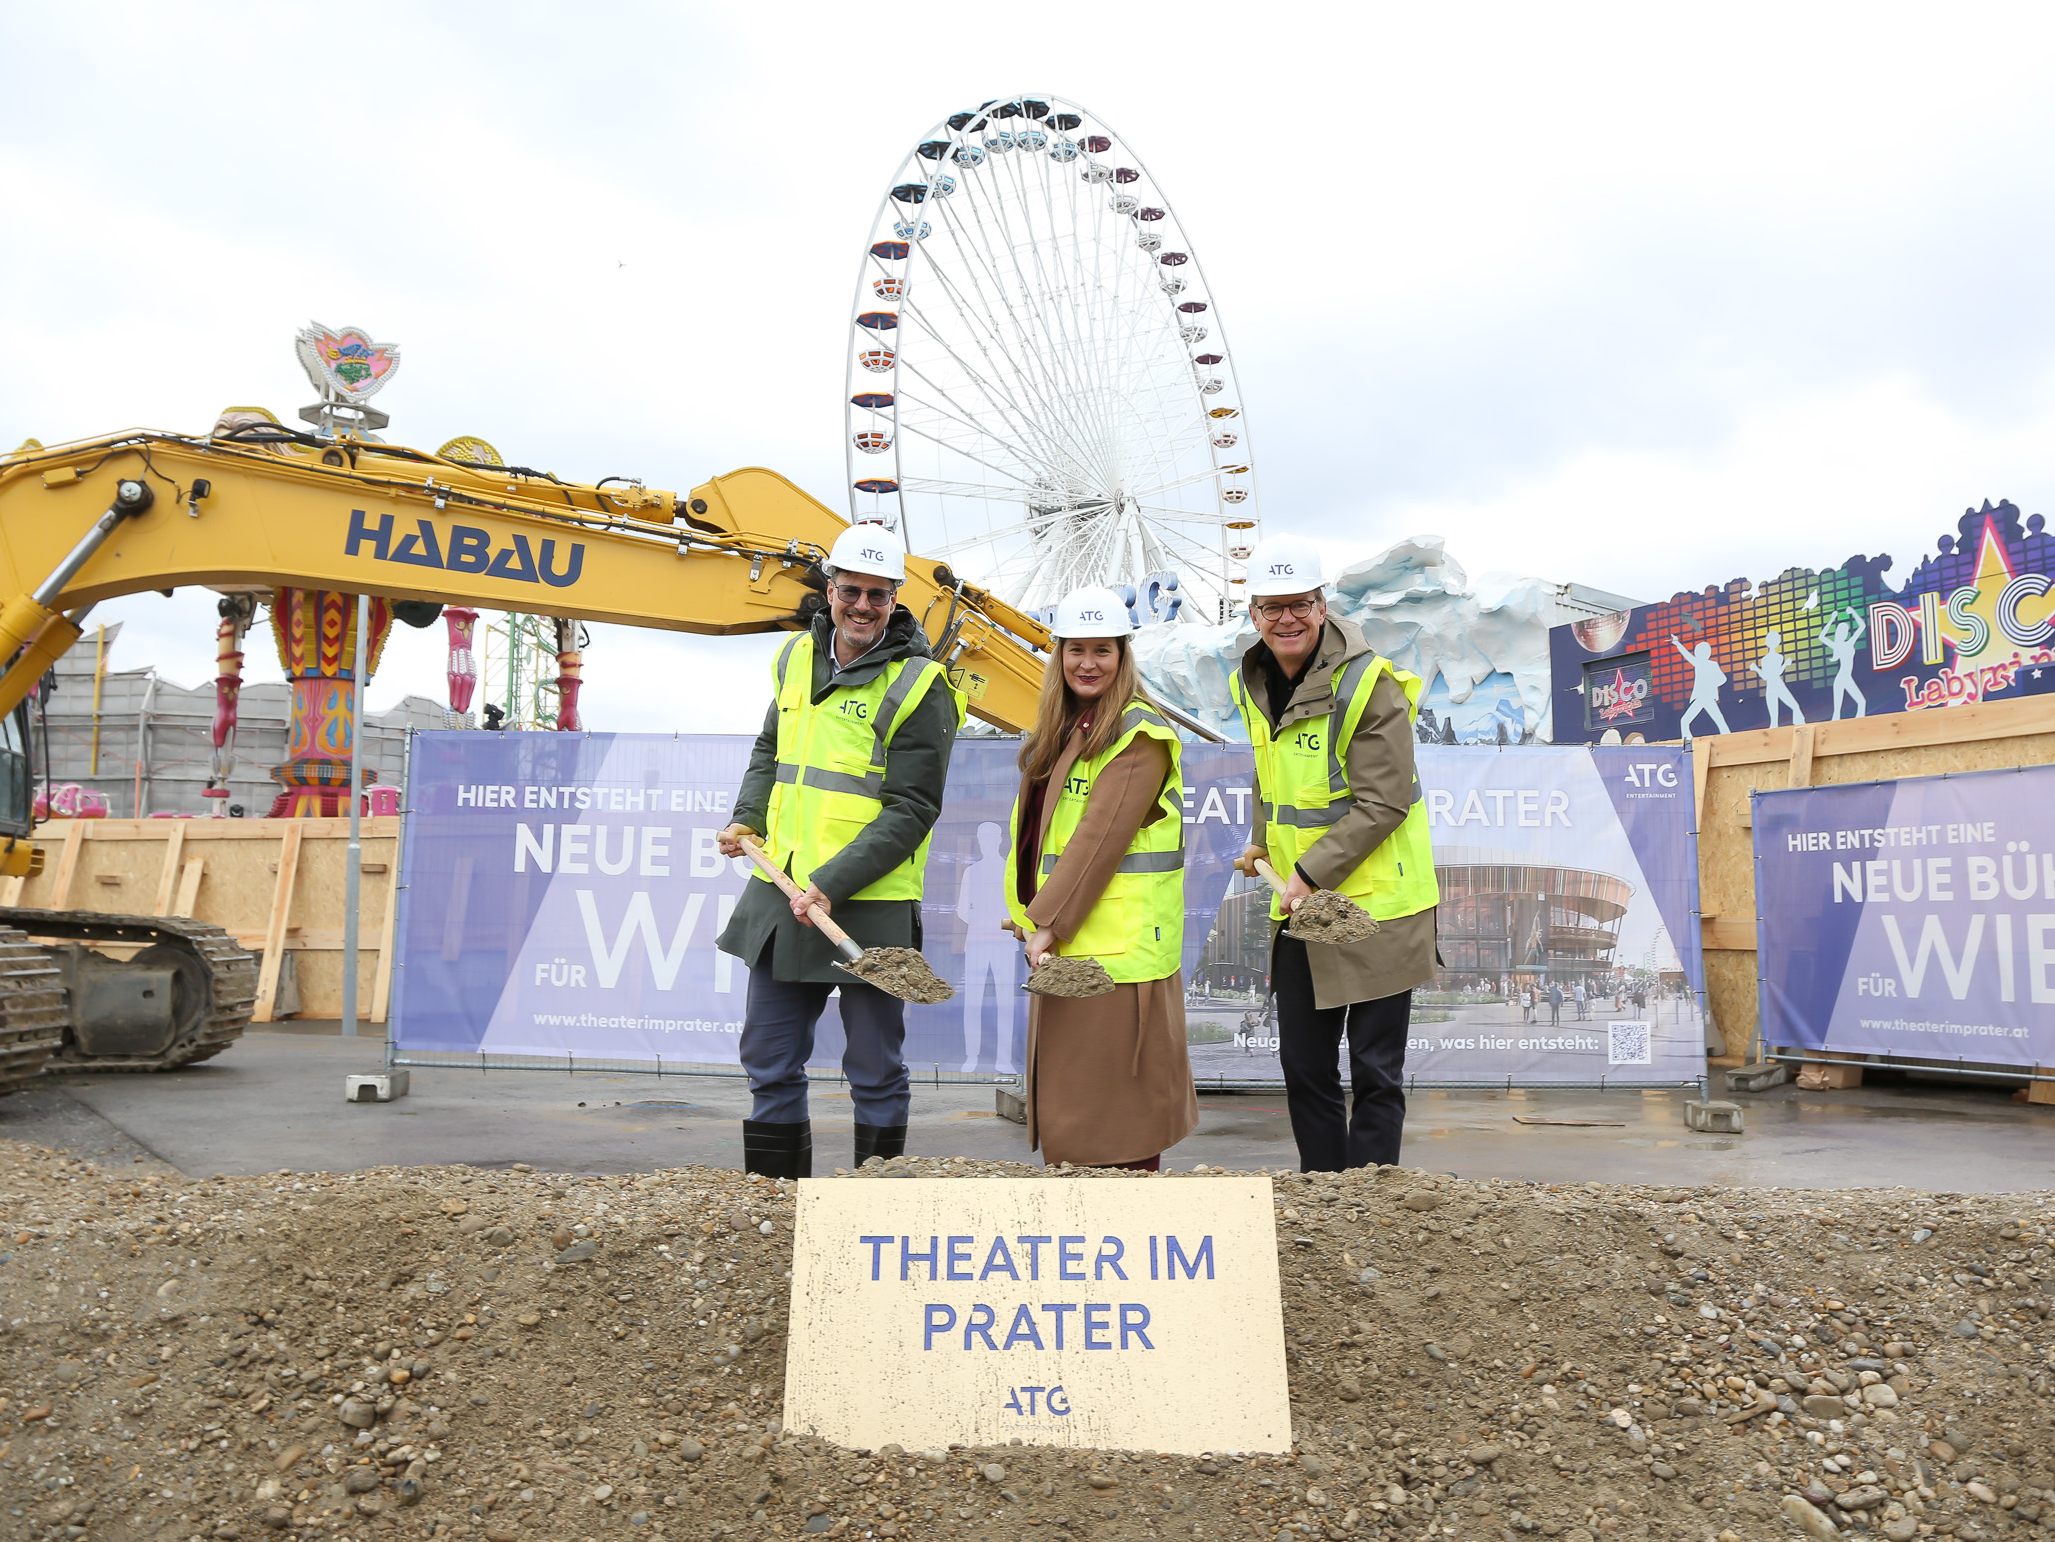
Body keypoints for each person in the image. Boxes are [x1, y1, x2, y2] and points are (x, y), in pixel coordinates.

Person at [716, 522, 964, 1177]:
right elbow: (771, 750)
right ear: (829, 590)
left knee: (875, 1069)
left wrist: (831, 881)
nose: (861, 606)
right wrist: (746, 818)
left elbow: (913, 808)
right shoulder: (794, 658)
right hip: (782, 894)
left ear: (894, 600)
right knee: (768, 1058)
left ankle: (871, 1209)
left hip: (870, 905)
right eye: (850, 590)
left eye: (877, 595)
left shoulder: (920, 686)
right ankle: (776, 1203)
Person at [1230, 538, 1439, 1172]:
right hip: (1301, 909)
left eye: (1299, 605)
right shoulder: (1254, 681)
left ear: (1322, 607)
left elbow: (1383, 803)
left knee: (1377, 1071)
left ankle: (1371, 1206)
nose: (1286, 620)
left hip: (1380, 909)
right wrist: (1263, 837)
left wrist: (1306, 872)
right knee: (1304, 1066)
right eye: (1272, 608)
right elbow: (1273, 779)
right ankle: (1324, 1195)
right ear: (1254, 615)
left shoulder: (1371, 687)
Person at [1004, 586, 1198, 1170]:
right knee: (1078, 1122)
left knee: (1117, 1128)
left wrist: (1044, 923)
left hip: (1116, 961)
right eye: (1076, 650)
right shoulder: (1066, 732)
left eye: (1103, 651)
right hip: (1071, 950)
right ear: (1058, 654)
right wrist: (1026, 915)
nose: (1088, 663)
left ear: (1123, 656)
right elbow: (1041, 837)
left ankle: (1125, 1244)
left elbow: (1098, 842)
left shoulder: (1139, 735)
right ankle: (1085, 1244)